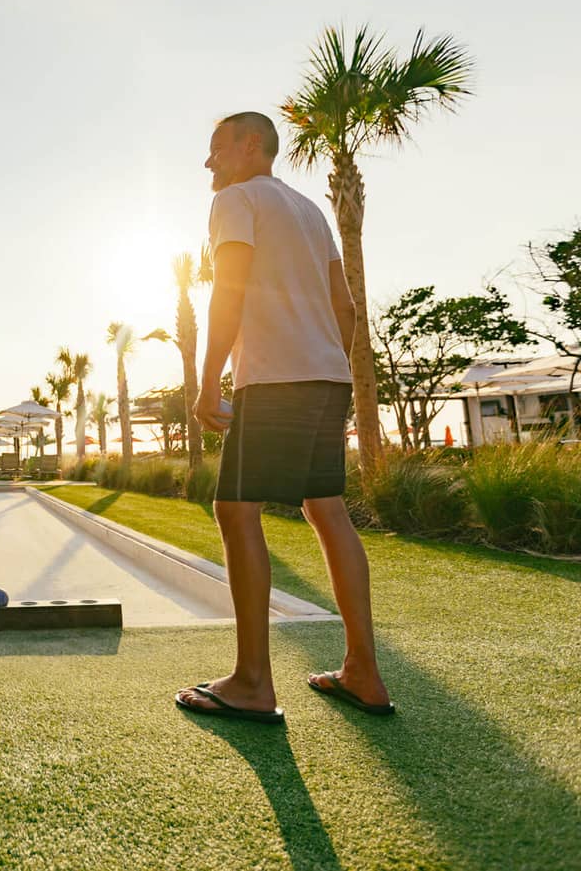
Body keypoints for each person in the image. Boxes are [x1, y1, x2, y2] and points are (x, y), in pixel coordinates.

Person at [176, 111, 392, 724]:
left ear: (251, 146)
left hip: (275, 378)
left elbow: (230, 290)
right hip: (327, 376)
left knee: (235, 510)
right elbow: (345, 308)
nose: (209, 162)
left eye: (216, 148)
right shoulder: (309, 211)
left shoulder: (236, 201)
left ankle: (251, 682)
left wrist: (208, 380)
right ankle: (363, 673)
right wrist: (332, 369)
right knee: (325, 507)